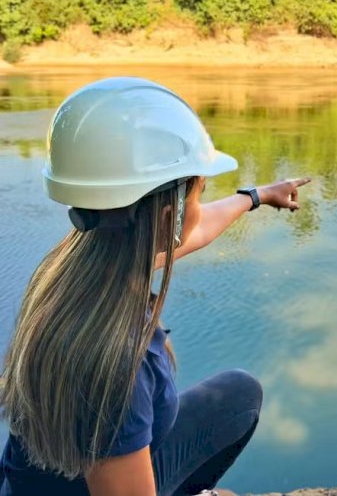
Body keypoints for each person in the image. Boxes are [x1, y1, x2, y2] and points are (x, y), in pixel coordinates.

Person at [0, 77, 310, 495]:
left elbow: (194, 232)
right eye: (200, 193)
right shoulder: (114, 363)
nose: (202, 206)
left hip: (48, 478)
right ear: (170, 216)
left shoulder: (77, 263)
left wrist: (256, 196)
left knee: (239, 395)